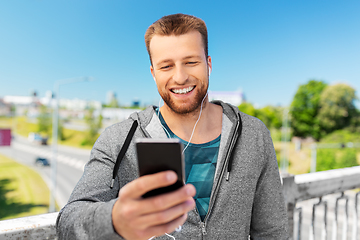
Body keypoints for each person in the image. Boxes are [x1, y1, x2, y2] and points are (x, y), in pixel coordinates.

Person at [56, 13, 289, 240]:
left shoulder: (253, 134)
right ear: (153, 73)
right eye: (166, 66)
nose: (180, 77)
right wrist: (114, 219)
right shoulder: (119, 140)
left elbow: (272, 232)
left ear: (208, 64)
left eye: (191, 62)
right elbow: (68, 223)